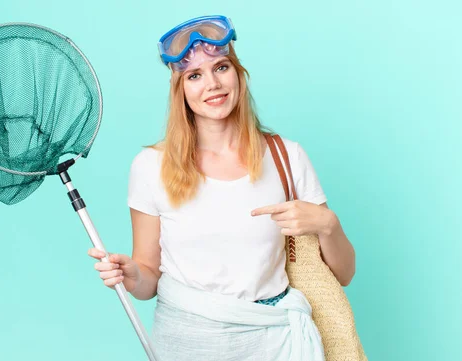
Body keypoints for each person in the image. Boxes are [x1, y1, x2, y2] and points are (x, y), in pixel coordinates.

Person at [88, 15, 356, 360]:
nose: (211, 84)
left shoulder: (287, 156)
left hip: (278, 344)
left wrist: (327, 224)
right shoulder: (150, 167)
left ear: (238, 76)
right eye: (194, 76)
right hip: (189, 343)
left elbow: (345, 273)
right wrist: (129, 273)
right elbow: (148, 280)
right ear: (180, 90)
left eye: (221, 67)